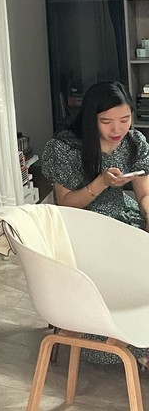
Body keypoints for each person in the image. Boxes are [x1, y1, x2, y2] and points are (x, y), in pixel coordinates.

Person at [42, 80, 149, 365]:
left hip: (122, 218)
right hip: (83, 227)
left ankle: (139, 323)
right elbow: (65, 204)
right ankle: (127, 343)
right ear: (92, 119)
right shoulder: (64, 148)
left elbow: (144, 193)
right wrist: (101, 182)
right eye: (107, 122)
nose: (117, 129)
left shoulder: (134, 142)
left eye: (124, 119)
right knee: (125, 269)